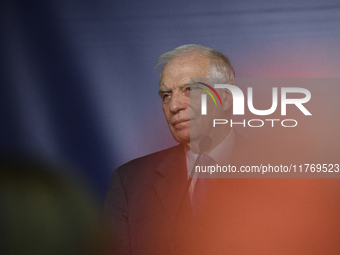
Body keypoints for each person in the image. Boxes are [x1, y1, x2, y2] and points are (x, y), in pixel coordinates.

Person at [104, 44, 340, 255]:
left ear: (226, 97)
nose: (174, 105)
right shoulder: (130, 183)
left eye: (189, 90)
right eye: (166, 95)